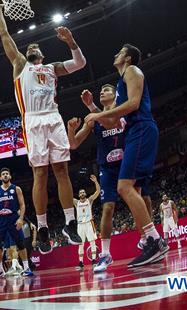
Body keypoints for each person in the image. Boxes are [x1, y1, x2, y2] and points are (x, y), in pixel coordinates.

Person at [0, 0, 87, 253]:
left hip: (53, 117)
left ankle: (70, 223)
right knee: (40, 174)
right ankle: (43, 228)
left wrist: (70, 41)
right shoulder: (20, 65)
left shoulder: (52, 68)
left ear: (41, 54)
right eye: (29, 45)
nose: (32, 46)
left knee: (62, 171)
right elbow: (4, 36)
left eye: (36, 45)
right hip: (32, 119)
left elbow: (80, 64)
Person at [84, 44, 165, 267]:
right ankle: (149, 240)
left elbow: (134, 104)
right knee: (134, 189)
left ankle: (154, 240)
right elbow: (110, 121)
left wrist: (97, 114)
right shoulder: (121, 83)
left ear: (128, 57)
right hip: (134, 131)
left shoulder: (132, 71)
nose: (115, 54)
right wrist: (93, 112)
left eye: (119, 52)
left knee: (124, 188)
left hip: (140, 128)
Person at [69, 82, 135, 272]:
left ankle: (149, 239)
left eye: (107, 90)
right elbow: (73, 145)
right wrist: (71, 128)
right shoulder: (94, 120)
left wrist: (92, 107)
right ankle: (105, 254)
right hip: (107, 167)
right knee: (107, 208)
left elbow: (112, 120)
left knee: (139, 199)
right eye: (101, 91)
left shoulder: (122, 110)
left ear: (115, 95)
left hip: (126, 162)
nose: (102, 92)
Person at [0, 167, 32, 279]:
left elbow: (22, 205)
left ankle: (26, 268)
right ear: (0, 177)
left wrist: (21, 219)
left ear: (10, 176)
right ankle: (0, 269)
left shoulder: (16, 189)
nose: (5, 175)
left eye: (7, 174)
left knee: (20, 243)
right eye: (3, 174)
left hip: (13, 218)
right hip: (1, 220)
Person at [73, 176, 100, 269]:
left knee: (92, 243)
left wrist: (96, 181)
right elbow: (67, 196)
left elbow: (98, 192)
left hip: (89, 223)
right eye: (81, 192)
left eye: (83, 192)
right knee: (80, 244)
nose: (82, 193)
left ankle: (94, 261)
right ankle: (80, 263)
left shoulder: (90, 200)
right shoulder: (76, 202)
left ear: (85, 193)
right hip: (80, 225)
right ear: (78, 195)